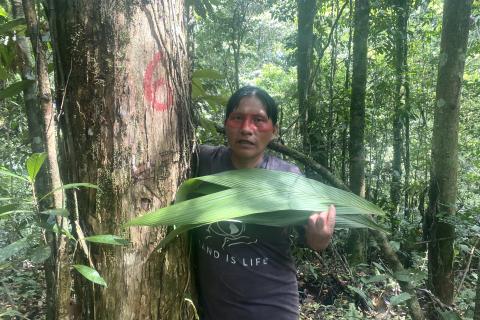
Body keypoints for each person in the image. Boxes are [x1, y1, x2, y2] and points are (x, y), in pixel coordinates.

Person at [192, 86, 336, 320]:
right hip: (214, 309)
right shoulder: (205, 161)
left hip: (271, 306)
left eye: (258, 120)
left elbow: (315, 241)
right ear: (226, 123)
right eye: (238, 118)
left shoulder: (287, 177)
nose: (247, 129)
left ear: (274, 130)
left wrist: (321, 236)